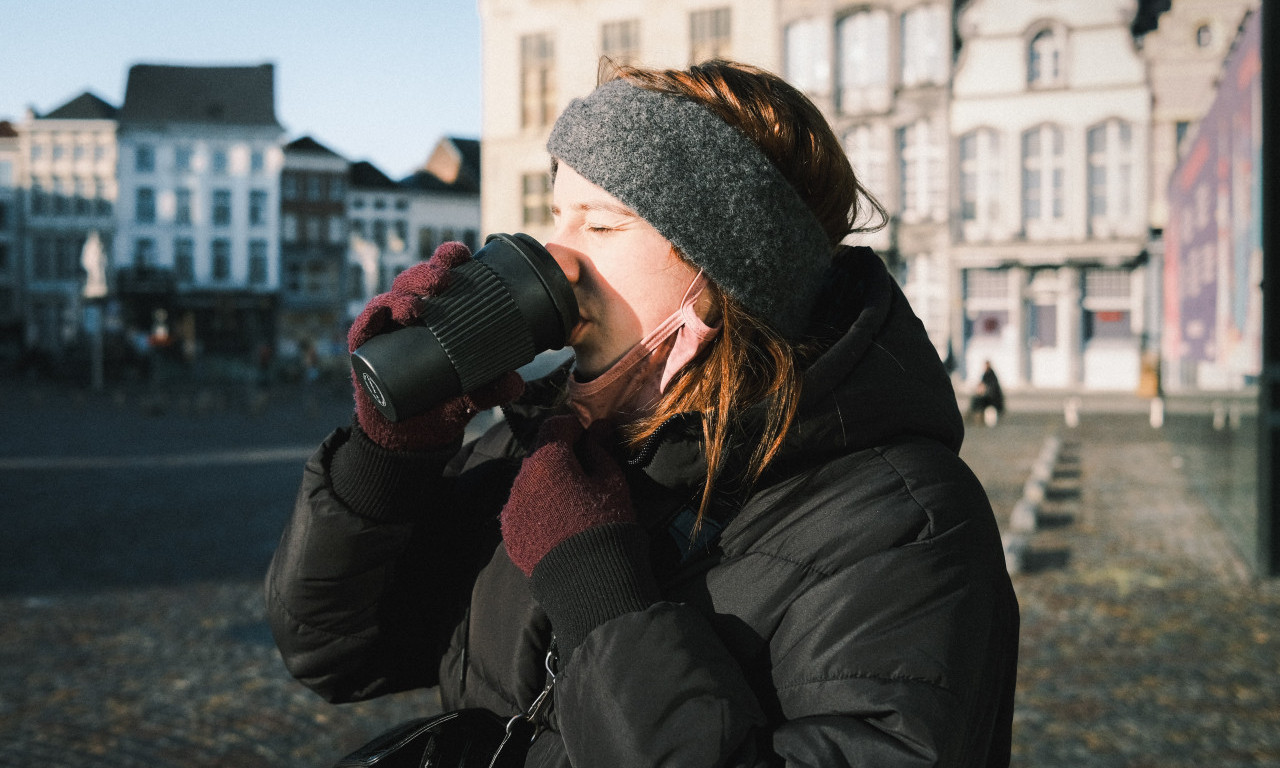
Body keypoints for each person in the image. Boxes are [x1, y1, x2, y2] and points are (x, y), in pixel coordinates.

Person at [266, 60, 1019, 766]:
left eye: (601, 225)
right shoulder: (549, 444)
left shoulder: (907, 526)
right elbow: (333, 650)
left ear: (725, 276)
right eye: (555, 217)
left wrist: (601, 594)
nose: (556, 259)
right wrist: (390, 458)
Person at [969, 360, 1005, 426]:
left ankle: (977, 416)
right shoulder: (986, 374)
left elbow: (993, 388)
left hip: (993, 398)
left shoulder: (991, 375)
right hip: (988, 396)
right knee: (976, 399)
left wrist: (984, 390)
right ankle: (975, 415)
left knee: (978, 400)